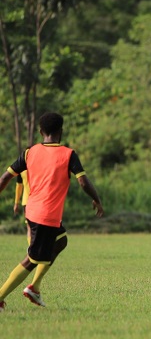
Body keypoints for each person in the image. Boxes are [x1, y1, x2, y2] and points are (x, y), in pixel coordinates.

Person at [0, 112, 104, 313]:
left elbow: (4, 178)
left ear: (41, 132)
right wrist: (97, 200)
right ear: (61, 131)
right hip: (45, 216)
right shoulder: (68, 154)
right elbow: (82, 181)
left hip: (34, 211)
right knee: (31, 259)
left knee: (61, 241)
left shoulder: (30, 152)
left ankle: (34, 288)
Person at [13, 170, 68, 306]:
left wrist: (16, 202)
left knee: (58, 240)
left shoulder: (27, 164)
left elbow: (17, 183)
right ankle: (33, 251)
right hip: (38, 203)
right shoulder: (35, 163)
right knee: (51, 244)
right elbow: (19, 184)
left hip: (33, 202)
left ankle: (34, 285)